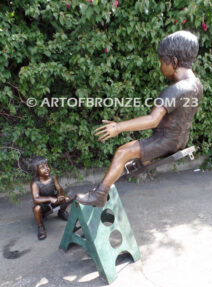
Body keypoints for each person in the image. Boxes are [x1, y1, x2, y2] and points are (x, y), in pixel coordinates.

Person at [75, 30, 203, 207]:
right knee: (134, 149)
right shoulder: (197, 85)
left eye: (161, 62)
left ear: (173, 61)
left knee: (122, 152)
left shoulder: (176, 89)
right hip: (181, 139)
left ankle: (99, 194)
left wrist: (117, 127)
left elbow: (153, 120)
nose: (160, 67)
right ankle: (142, 159)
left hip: (166, 141)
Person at [30, 156, 71, 240]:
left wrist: (60, 194)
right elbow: (36, 199)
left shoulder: (53, 177)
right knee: (36, 208)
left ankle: (61, 212)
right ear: (36, 171)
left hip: (54, 201)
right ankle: (40, 226)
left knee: (66, 199)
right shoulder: (35, 183)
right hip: (43, 206)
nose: (46, 169)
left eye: (47, 166)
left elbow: (59, 188)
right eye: (42, 167)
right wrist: (49, 198)